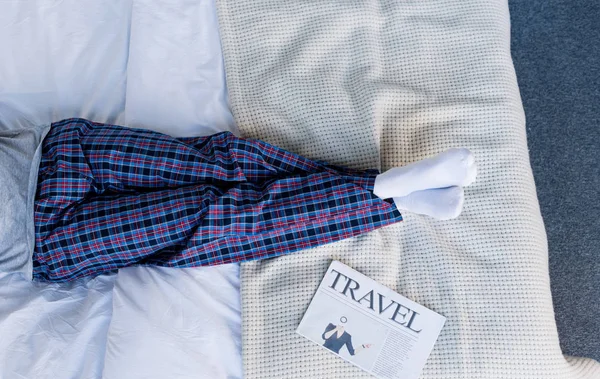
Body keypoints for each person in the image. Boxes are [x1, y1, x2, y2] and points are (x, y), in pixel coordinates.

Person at [33, 119, 476, 282]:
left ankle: (390, 196)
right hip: (42, 238)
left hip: (53, 151)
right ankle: (387, 194)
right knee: (210, 219)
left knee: (222, 161)